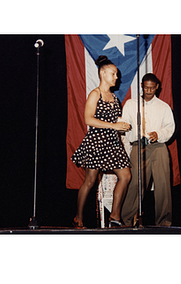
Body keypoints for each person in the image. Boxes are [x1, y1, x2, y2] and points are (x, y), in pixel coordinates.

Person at [71, 55, 131, 228]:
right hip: (97, 141)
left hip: (113, 143)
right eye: (113, 74)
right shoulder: (94, 94)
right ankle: (78, 217)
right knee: (90, 181)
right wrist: (114, 125)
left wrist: (121, 126)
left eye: (116, 75)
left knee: (125, 176)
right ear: (103, 73)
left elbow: (114, 122)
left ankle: (114, 216)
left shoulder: (114, 98)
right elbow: (88, 120)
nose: (116, 77)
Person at [121, 73, 175, 227]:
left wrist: (159, 134)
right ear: (141, 87)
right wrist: (132, 130)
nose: (149, 91)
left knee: (163, 185)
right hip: (139, 147)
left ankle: (164, 222)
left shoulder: (163, 107)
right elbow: (125, 123)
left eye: (152, 88)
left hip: (158, 147)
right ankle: (127, 221)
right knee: (135, 184)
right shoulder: (131, 104)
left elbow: (169, 128)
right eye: (146, 88)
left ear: (157, 87)